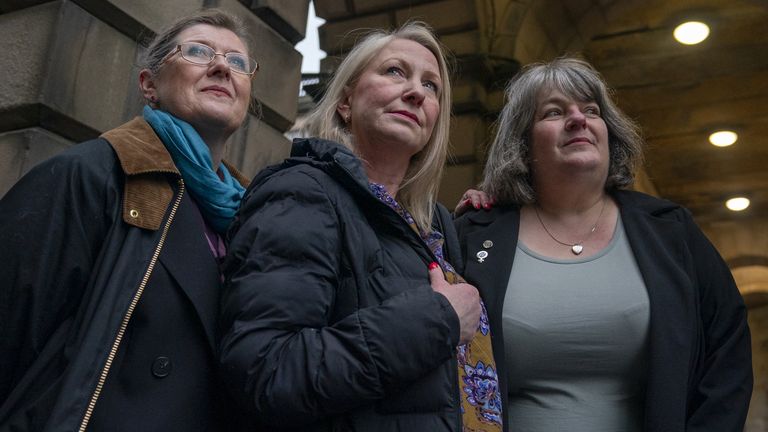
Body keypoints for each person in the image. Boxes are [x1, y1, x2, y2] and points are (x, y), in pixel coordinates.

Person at [219, 22, 502, 431]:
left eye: (431, 86)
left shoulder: (437, 225)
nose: (416, 92)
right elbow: (266, 371)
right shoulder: (301, 191)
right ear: (346, 102)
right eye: (394, 71)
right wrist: (436, 320)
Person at [454, 57, 753, 431]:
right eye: (553, 112)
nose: (578, 118)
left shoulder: (669, 230)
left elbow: (727, 346)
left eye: (591, 110)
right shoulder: (478, 235)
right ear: (522, 143)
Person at [0, 9, 256, 431]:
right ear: (149, 84)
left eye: (237, 62)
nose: (220, 67)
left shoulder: (254, 219)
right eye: (198, 51)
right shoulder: (89, 175)